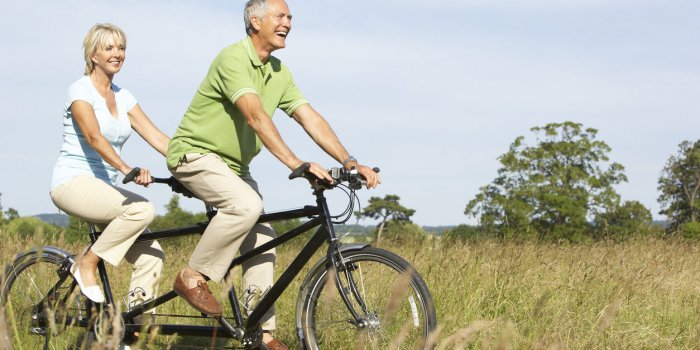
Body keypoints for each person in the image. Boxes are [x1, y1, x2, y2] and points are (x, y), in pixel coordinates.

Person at [165, 0, 380, 348]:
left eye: (291, 17)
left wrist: (349, 160)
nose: (288, 23)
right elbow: (255, 117)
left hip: (235, 167)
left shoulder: (279, 71)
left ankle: (260, 335)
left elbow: (309, 117)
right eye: (280, 16)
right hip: (195, 155)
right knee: (246, 206)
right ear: (255, 21)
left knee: (263, 239)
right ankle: (191, 276)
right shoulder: (232, 59)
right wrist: (298, 163)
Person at [49, 23, 168, 324]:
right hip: (72, 183)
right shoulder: (80, 90)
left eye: (121, 48)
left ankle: (134, 332)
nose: (117, 54)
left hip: (105, 189)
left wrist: (194, 163)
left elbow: (156, 136)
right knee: (142, 209)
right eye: (109, 48)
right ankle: (86, 264)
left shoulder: (123, 96)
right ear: (93, 55)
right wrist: (127, 168)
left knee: (151, 255)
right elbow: (94, 137)